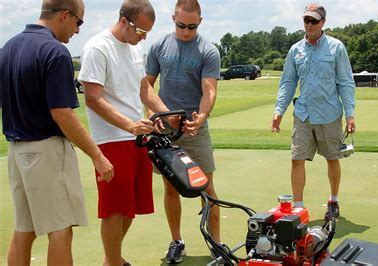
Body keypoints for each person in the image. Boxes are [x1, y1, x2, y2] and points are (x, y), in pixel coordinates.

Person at [0, 0, 114, 265]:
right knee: (60, 229)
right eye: (78, 22)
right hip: (47, 151)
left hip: (16, 152)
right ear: (65, 15)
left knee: (24, 229)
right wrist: (97, 155)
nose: (77, 31)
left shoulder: (8, 48)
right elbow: (62, 113)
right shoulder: (55, 51)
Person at [77, 0, 168, 265]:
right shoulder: (98, 47)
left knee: (131, 208)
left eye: (147, 33)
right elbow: (92, 99)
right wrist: (129, 125)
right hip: (111, 139)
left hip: (137, 137)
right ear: (125, 21)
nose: (144, 38)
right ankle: (114, 262)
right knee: (114, 209)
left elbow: (144, 90)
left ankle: (111, 260)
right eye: (141, 31)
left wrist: (165, 113)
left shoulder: (133, 48)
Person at [145, 0, 221, 263]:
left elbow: (209, 90)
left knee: (208, 190)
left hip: (194, 130)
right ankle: (177, 241)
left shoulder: (208, 50)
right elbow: (146, 86)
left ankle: (216, 244)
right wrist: (158, 116)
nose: (186, 31)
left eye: (191, 26)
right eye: (181, 25)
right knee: (170, 189)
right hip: (164, 131)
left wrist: (200, 117)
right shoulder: (158, 46)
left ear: (200, 21)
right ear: (173, 18)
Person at [271, 3, 356, 221]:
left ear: (323, 23)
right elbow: (288, 82)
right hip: (303, 114)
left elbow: (346, 82)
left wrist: (350, 113)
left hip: (329, 114)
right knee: (296, 159)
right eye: (306, 20)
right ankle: (299, 210)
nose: (309, 25)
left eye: (313, 21)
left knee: (332, 158)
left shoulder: (337, 48)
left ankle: (333, 202)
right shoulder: (295, 50)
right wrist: (279, 110)